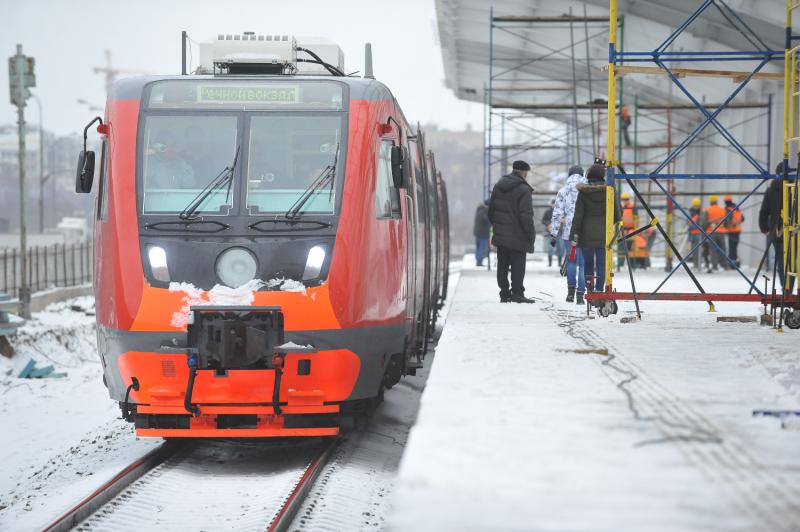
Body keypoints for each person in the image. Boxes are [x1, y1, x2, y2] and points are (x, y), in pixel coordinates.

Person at [569, 163, 621, 294]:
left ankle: (590, 289)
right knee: (602, 264)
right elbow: (617, 214)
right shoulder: (609, 191)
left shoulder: (583, 192)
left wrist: (574, 235)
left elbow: (578, 216)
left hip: (586, 234)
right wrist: (608, 223)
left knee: (588, 263)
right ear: (602, 175)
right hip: (605, 233)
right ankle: (599, 290)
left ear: (589, 175)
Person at [489, 160, 536, 303]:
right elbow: (526, 216)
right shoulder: (524, 190)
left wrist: (498, 226)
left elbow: (491, 212)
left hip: (501, 235)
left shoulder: (498, 186)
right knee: (518, 266)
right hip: (519, 236)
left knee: (502, 265)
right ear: (524, 172)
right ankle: (517, 294)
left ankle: (504, 293)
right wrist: (530, 234)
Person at [550, 165, 586, 303]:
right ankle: (580, 295)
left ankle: (570, 293)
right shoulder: (587, 189)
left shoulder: (562, 191)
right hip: (585, 232)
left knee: (571, 261)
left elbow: (557, 214)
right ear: (582, 175)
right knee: (583, 264)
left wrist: (553, 234)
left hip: (568, 234)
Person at [759, 162, 794, 292]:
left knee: (781, 261)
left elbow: (764, 211)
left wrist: (764, 227)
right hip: (794, 231)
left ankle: (786, 289)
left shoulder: (771, 190)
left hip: (778, 231)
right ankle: (790, 286)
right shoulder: (795, 188)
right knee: (794, 262)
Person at [703, 194, 728, 272]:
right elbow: (726, 221)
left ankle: (715, 266)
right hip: (721, 231)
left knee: (712, 249)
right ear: (716, 201)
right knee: (722, 249)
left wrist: (704, 231)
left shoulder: (707, 210)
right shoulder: (722, 210)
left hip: (711, 232)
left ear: (710, 201)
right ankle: (724, 265)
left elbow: (704, 222)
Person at [723, 194, 744, 266]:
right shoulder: (737, 209)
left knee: (732, 247)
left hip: (731, 231)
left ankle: (732, 263)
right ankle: (734, 261)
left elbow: (727, 220)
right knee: (734, 247)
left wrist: (725, 225)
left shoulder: (728, 209)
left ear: (726, 202)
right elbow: (743, 218)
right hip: (737, 230)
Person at [541, 199, 563, 267]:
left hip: (559, 232)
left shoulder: (561, 212)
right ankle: (550, 263)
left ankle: (559, 263)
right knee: (550, 247)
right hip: (550, 232)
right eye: (553, 203)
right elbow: (543, 220)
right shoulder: (547, 212)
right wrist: (548, 224)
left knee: (560, 247)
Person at [473, 199, 491, 267]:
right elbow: (487, 220)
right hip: (483, 233)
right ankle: (479, 261)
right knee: (482, 248)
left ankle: (478, 260)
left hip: (477, 232)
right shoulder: (486, 211)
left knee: (478, 247)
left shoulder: (479, 210)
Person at [687, 197, 703, 269]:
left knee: (698, 251)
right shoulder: (690, 213)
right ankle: (695, 264)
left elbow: (701, 223)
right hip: (692, 234)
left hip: (699, 234)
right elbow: (688, 222)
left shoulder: (701, 213)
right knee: (694, 250)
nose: (696, 207)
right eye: (695, 206)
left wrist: (691, 227)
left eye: (697, 206)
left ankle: (698, 264)